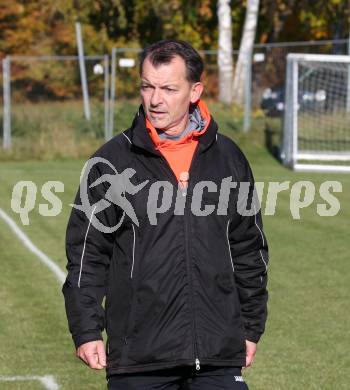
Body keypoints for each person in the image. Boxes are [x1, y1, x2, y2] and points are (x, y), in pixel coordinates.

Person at [62, 39, 269, 390]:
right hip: (139, 358)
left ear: (194, 91)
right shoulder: (110, 162)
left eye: (169, 89)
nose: (155, 99)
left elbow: (249, 248)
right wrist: (86, 330)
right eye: (147, 87)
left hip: (218, 354)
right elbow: (87, 255)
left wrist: (250, 328)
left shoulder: (229, 158)